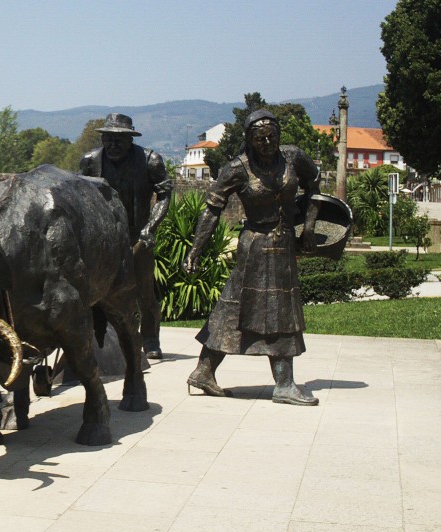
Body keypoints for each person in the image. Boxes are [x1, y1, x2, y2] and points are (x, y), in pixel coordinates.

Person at [183, 110, 320, 406]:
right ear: (249, 139)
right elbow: (212, 210)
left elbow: (315, 186)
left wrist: (309, 226)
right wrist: (195, 250)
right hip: (255, 247)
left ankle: (204, 371)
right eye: (260, 139)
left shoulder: (293, 157)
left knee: (253, 309)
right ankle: (283, 384)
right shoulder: (237, 168)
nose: (267, 143)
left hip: (284, 244)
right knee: (247, 308)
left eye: (272, 137)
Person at [79, 114, 172, 359]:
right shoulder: (90, 161)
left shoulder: (150, 161)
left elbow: (164, 195)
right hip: (103, 239)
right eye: (108, 139)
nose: (113, 145)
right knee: (97, 289)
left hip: (138, 237)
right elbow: (79, 197)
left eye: (119, 140)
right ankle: (97, 339)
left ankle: (150, 339)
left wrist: (150, 228)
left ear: (130, 140)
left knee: (144, 290)